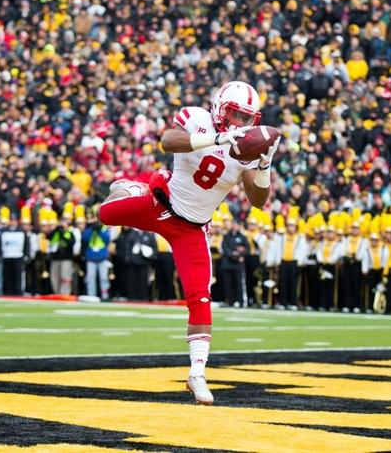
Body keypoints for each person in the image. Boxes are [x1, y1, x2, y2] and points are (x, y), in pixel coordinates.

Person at [98, 81, 277, 405]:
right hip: (160, 204)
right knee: (105, 213)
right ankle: (136, 187)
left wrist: (264, 167)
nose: (241, 123)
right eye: (235, 114)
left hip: (192, 229)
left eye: (246, 117)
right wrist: (217, 138)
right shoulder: (198, 119)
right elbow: (169, 141)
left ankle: (197, 373)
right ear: (221, 109)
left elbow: (258, 201)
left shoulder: (245, 151)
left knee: (200, 296)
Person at [221, 218, 250, 307]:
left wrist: (240, 255)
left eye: (236, 225)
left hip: (238, 263)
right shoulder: (226, 236)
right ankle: (230, 301)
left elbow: (247, 249)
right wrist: (232, 254)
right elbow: (224, 248)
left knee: (239, 283)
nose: (235, 226)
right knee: (228, 283)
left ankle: (241, 302)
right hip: (228, 263)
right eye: (233, 224)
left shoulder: (242, 237)